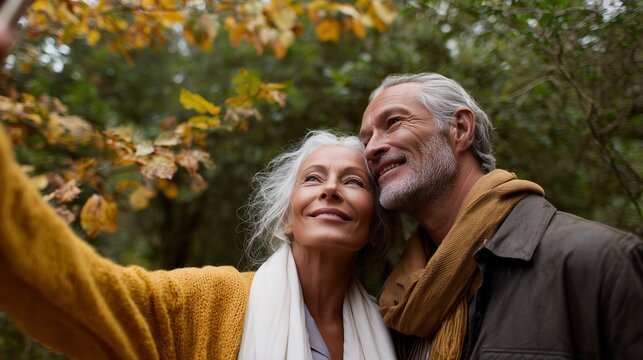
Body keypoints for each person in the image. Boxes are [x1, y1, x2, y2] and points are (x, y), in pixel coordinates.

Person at [0, 128, 398, 359]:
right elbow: (95, 295)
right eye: (312, 179)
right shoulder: (214, 300)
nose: (330, 188)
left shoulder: (394, 331)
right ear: (285, 220)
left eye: (353, 181)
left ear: (375, 229)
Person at [358, 72, 643, 359]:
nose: (371, 149)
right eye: (366, 140)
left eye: (393, 123)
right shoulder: (400, 306)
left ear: (460, 128)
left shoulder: (598, 259)